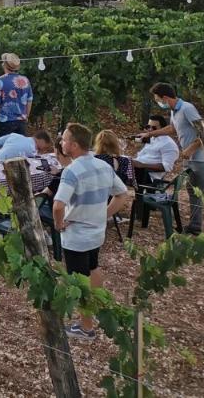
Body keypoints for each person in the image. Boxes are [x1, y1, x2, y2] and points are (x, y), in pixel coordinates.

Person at [53, 123, 131, 341]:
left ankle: (86, 327)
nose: (61, 143)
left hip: (77, 237)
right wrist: (103, 215)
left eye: (65, 139)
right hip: (97, 233)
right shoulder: (103, 166)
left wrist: (59, 224)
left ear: (74, 145)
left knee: (79, 280)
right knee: (93, 267)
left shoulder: (71, 171)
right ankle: (95, 308)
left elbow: (58, 205)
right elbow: (122, 195)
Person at [139, 83, 204, 234]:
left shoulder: (187, 108)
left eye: (158, 99)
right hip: (189, 159)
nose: (158, 103)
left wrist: (191, 148)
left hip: (200, 158)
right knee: (193, 192)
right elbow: (172, 128)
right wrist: (150, 134)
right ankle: (195, 226)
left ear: (165, 97)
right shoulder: (174, 111)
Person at [0, 53, 34, 137]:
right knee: (19, 148)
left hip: (5, 122)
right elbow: (29, 100)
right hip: (21, 122)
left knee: (6, 147)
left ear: (4, 65)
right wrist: (26, 115)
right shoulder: (25, 80)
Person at [130, 113, 179, 188]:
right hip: (138, 170)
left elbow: (167, 167)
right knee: (113, 162)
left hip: (148, 175)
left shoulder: (168, 144)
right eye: (148, 127)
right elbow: (141, 156)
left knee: (114, 170)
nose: (150, 130)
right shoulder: (152, 139)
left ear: (163, 128)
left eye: (154, 128)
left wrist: (142, 165)